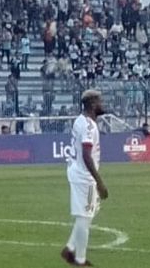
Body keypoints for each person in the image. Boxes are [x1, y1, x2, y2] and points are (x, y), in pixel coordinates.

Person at [61, 89, 108, 267]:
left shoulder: (80, 120)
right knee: (84, 217)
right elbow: (87, 155)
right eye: (99, 101)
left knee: (89, 212)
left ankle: (70, 247)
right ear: (92, 104)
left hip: (76, 171)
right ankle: (80, 260)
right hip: (84, 176)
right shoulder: (88, 126)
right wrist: (99, 181)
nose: (102, 104)